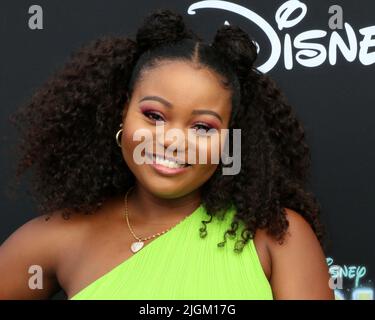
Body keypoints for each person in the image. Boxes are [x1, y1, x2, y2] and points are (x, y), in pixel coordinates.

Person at [0, 9, 334, 300]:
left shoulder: (277, 235)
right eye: (154, 116)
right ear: (121, 112)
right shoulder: (61, 237)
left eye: (203, 127)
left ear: (230, 141)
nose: (173, 141)